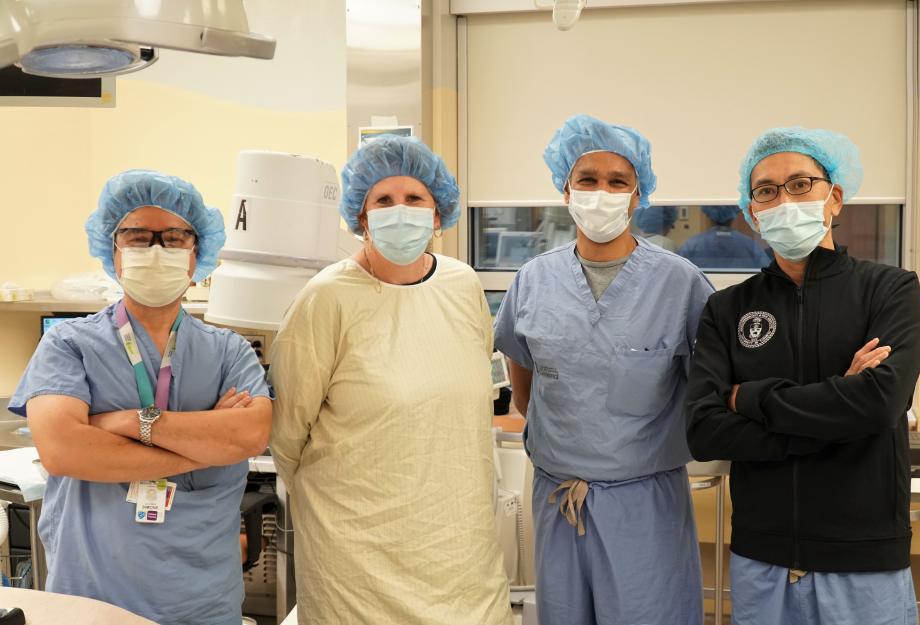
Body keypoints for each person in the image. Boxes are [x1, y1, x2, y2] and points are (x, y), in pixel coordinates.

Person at [9, 169, 273, 625]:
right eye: (136, 236)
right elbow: (62, 450)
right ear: (113, 251)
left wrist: (130, 422)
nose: (155, 250)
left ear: (196, 257)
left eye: (173, 238)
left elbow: (250, 433)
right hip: (92, 598)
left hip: (202, 602)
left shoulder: (228, 350)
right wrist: (207, 445)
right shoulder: (70, 345)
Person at [268, 135, 512, 625]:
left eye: (414, 199)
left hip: (456, 546)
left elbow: (472, 398)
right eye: (383, 200)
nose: (400, 212)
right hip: (356, 551)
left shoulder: (462, 286)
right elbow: (287, 433)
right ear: (361, 215)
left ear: (438, 213)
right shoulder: (327, 299)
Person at [686, 127, 920, 625]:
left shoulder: (889, 292)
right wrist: (837, 421)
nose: (783, 200)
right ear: (752, 212)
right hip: (762, 556)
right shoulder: (727, 310)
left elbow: (880, 403)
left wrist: (747, 398)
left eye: (800, 184)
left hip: (863, 557)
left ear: (834, 198)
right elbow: (704, 430)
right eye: (767, 191)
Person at [493, 114, 712, 625]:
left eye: (618, 182)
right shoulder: (534, 280)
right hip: (557, 497)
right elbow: (525, 387)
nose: (601, 194)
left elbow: (708, 389)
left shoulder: (681, 285)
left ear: (639, 195)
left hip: (645, 507)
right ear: (564, 189)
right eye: (587, 180)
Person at [678, 205, 769, 269]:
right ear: (734, 215)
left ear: (707, 214)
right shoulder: (750, 245)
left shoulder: (691, 245)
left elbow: (679, 273)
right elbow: (766, 272)